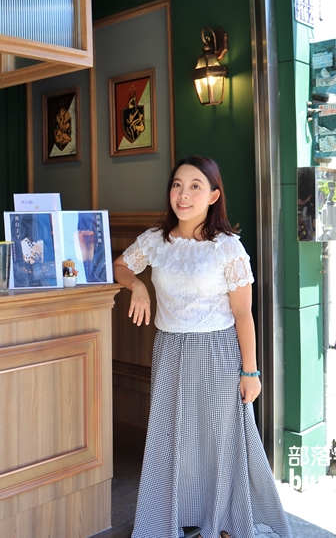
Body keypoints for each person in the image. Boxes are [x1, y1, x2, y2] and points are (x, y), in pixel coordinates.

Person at [113, 156, 292, 538]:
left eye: (196, 186)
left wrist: (251, 372)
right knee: (171, 436)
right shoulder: (154, 241)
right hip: (170, 350)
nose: (184, 193)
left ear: (213, 195)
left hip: (218, 351)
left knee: (219, 440)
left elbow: (243, 313)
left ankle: (225, 522)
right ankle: (172, 516)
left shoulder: (227, 248)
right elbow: (120, 267)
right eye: (178, 184)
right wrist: (138, 286)